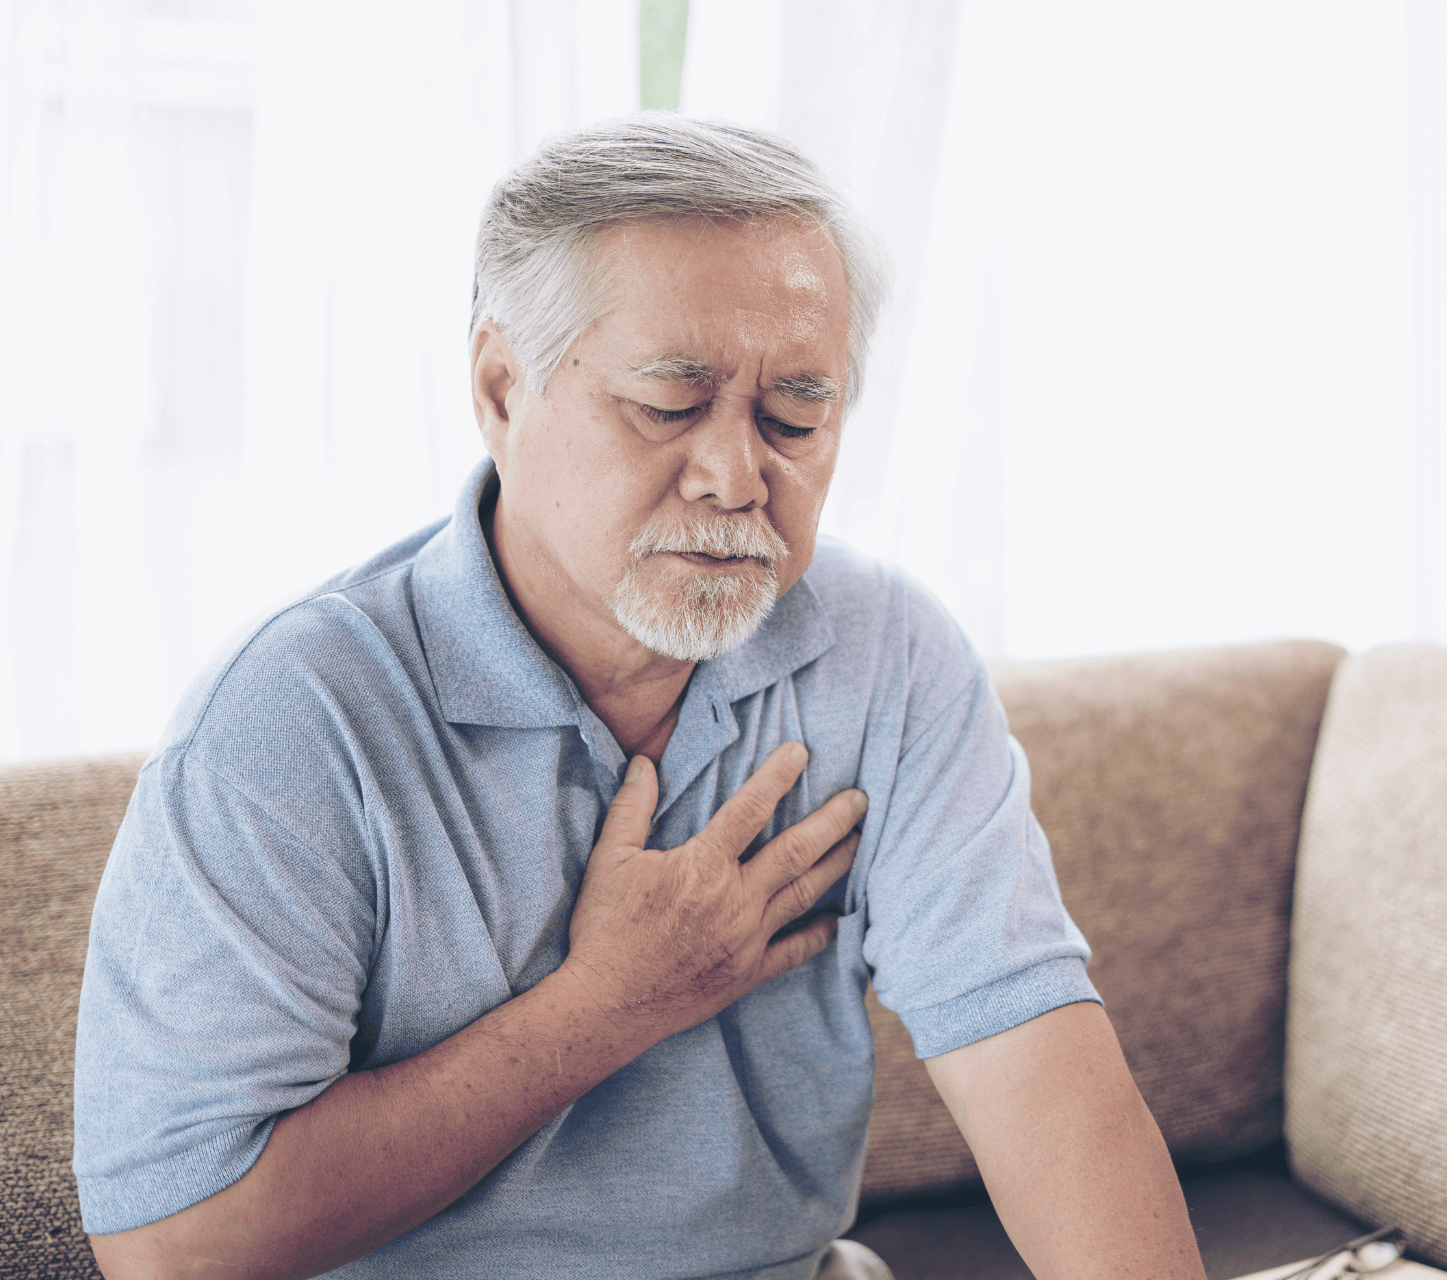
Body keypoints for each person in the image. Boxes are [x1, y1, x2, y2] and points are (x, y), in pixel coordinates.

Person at [73, 115, 1205, 1280]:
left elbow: (1043, 1075)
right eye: (670, 407)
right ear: (502, 388)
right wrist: (604, 1005)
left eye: (796, 417)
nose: (735, 475)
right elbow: (173, 1247)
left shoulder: (890, 656)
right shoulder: (293, 718)